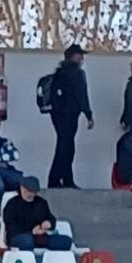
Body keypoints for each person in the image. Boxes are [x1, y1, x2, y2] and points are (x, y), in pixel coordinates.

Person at [44, 44, 92, 190]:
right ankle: (58, 179)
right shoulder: (78, 73)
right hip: (70, 115)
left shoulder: (60, 72)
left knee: (64, 146)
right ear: (73, 56)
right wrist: (88, 114)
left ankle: (63, 179)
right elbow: (81, 95)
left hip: (57, 115)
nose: (82, 58)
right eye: (79, 55)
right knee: (66, 148)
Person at [3, 178, 72, 251]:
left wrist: (49, 223)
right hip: (18, 236)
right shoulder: (12, 204)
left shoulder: (41, 203)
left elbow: (51, 218)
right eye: (28, 191)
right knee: (27, 241)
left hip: (40, 237)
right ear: (22, 188)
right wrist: (31, 231)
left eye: (33, 192)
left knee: (65, 241)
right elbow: (11, 226)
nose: (30, 194)